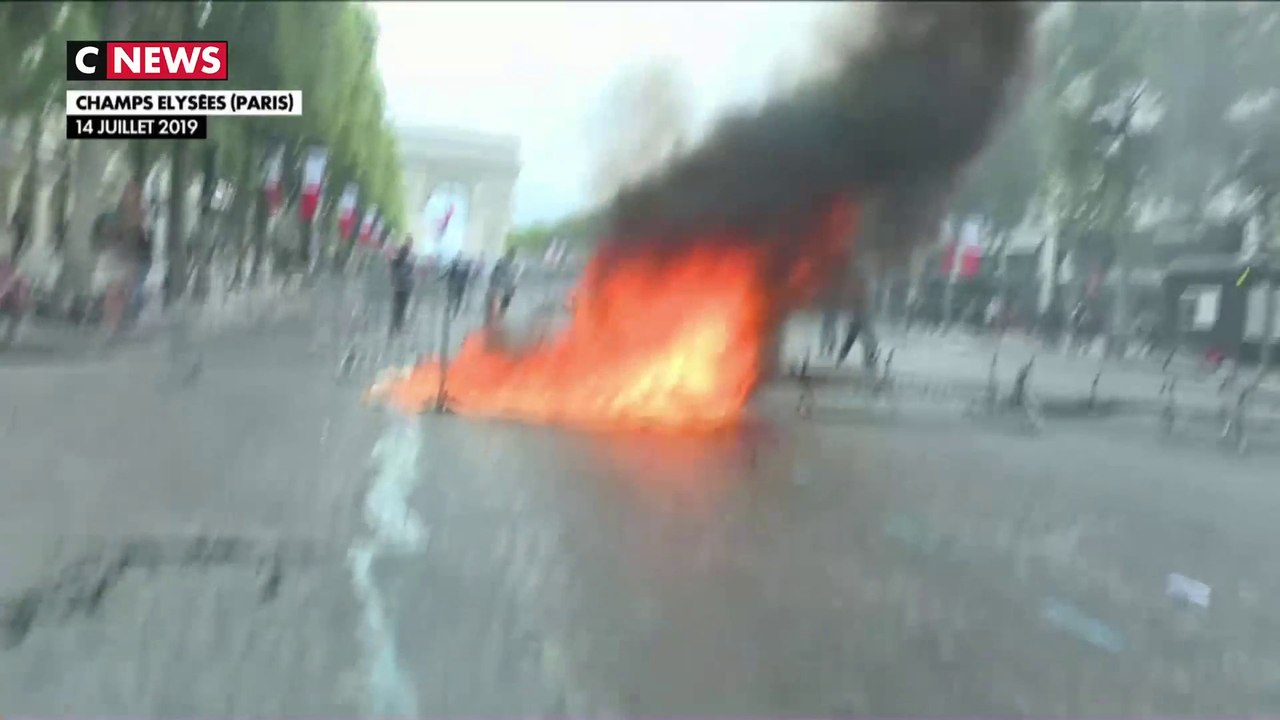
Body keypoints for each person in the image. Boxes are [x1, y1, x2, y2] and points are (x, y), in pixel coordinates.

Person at [98, 182, 151, 338]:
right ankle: (114, 324)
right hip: (123, 257)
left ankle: (122, 322)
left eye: (134, 193)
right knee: (116, 291)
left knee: (132, 292)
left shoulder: (140, 214)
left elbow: (141, 238)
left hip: (136, 258)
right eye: (128, 192)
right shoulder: (120, 215)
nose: (130, 196)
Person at [388, 242, 415, 338]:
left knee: (400, 309)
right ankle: (395, 328)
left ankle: (396, 328)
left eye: (405, 252)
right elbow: (393, 275)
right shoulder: (397, 263)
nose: (404, 254)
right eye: (404, 252)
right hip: (401, 289)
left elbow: (410, 277)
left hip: (403, 289)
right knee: (398, 309)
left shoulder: (406, 264)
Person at [485, 249, 519, 323]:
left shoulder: (513, 265)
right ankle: (491, 324)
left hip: (505, 292)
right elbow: (494, 275)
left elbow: (512, 279)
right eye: (512, 254)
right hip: (499, 291)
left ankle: (495, 323)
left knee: (500, 311)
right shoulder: (502, 263)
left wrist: (512, 288)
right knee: (493, 311)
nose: (512, 256)